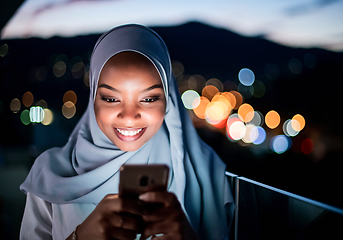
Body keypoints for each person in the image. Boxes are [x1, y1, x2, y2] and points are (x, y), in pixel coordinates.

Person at [19, 24, 234, 240]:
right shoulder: (50, 175)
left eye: (148, 99)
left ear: (168, 102)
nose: (129, 116)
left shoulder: (206, 173)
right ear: (93, 99)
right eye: (111, 99)